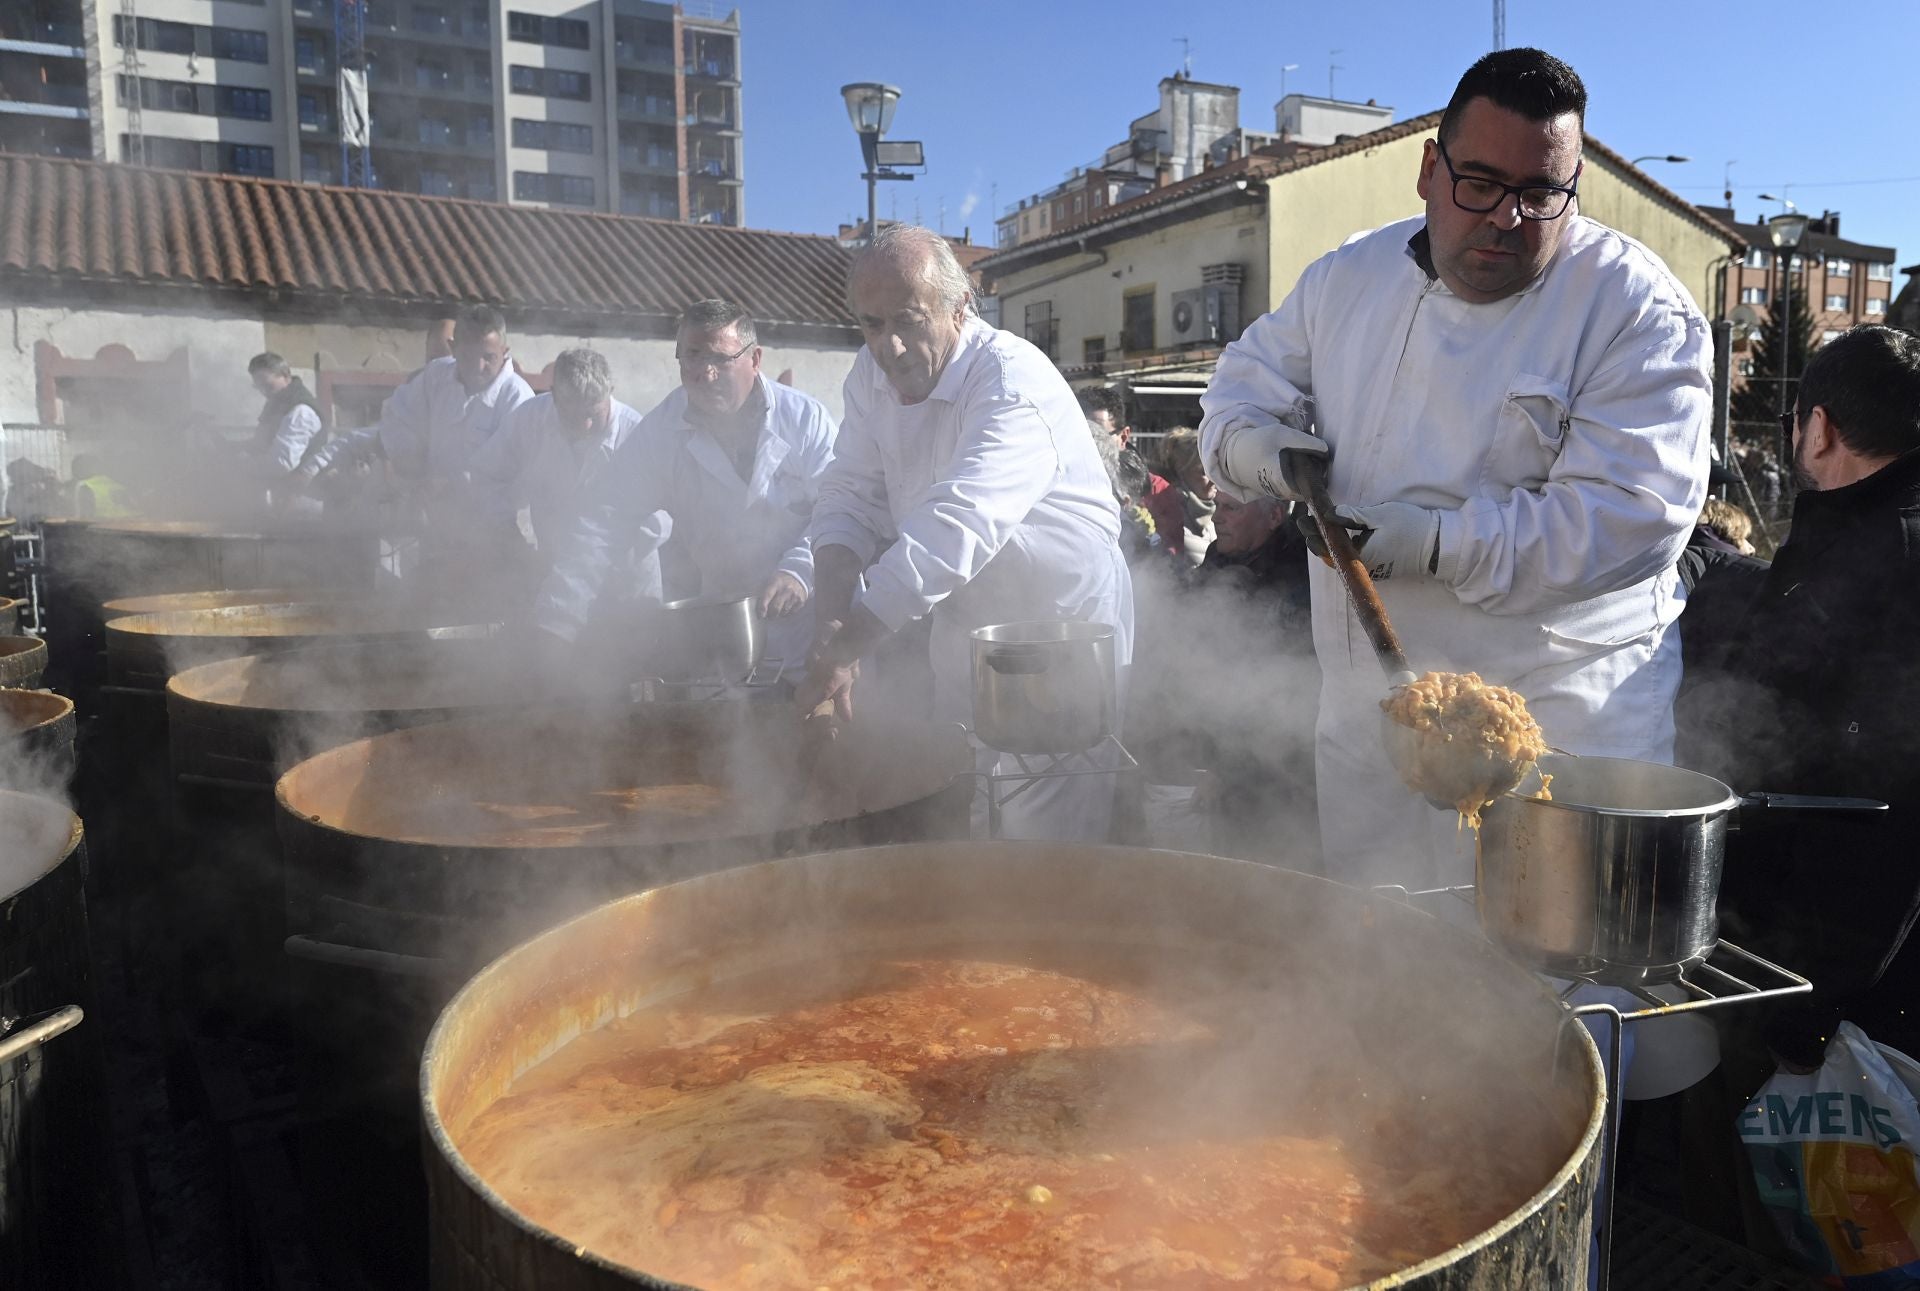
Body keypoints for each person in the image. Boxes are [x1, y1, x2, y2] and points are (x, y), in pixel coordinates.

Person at [1199, 47, 1711, 890]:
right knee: (1380, 952)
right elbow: (1238, 394)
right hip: (1373, 710)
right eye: (1479, 181)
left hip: (1560, 716)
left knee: (1555, 987)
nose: (1506, 218)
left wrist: (1438, 545)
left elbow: (1632, 518)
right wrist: (1262, 452)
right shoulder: (1345, 280)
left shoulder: (1636, 310)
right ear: (1429, 170)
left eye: (1541, 194)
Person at [799, 224, 1133, 842]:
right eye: (871, 325)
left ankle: (1040, 935)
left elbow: (959, 523)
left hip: (1057, 627)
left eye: (907, 320)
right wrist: (830, 621)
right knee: (959, 799)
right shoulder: (870, 376)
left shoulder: (1010, 379)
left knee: (1042, 833)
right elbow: (848, 496)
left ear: (960, 309)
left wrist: (850, 645)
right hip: (961, 621)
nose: (889, 347)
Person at [1680, 325, 1920, 1065]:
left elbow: (1864, 788)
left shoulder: (1868, 560)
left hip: (1828, 977)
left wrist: (1814, 1001)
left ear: (1818, 429)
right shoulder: (1867, 538)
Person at [640, 299, 838, 677]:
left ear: (755, 358)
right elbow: (609, 513)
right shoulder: (660, 431)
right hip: (726, 638)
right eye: (692, 358)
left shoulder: (805, 420)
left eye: (720, 359)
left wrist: (800, 570)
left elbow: (842, 511)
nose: (705, 374)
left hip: (813, 633)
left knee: (817, 729)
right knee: (731, 733)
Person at [297, 304, 533, 576]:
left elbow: (515, 473)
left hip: (495, 531)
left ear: (504, 351)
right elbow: (399, 420)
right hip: (438, 526)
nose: (478, 366)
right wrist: (404, 460)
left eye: (488, 357)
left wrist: (451, 484)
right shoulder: (435, 377)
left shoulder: (518, 398)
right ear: (454, 347)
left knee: (486, 604)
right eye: (468, 356)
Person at [465, 347, 665, 608]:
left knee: (631, 647)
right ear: (554, 396)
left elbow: (659, 517)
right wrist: (509, 533)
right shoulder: (530, 420)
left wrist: (595, 561)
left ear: (610, 392)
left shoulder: (636, 434)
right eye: (573, 415)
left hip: (626, 586)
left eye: (593, 415)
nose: (585, 427)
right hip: (550, 575)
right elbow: (486, 475)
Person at [246, 352, 325, 501]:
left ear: (286, 375)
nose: (264, 392)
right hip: (278, 496)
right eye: (258, 386)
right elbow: (261, 443)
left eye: (267, 385)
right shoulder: (277, 403)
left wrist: (244, 466)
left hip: (298, 499)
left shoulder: (301, 411)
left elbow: (282, 463)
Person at [1144, 427, 1217, 567]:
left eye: (1216, 470)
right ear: (1180, 471)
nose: (1215, 480)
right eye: (1204, 472)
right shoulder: (1166, 514)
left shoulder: (1222, 508)